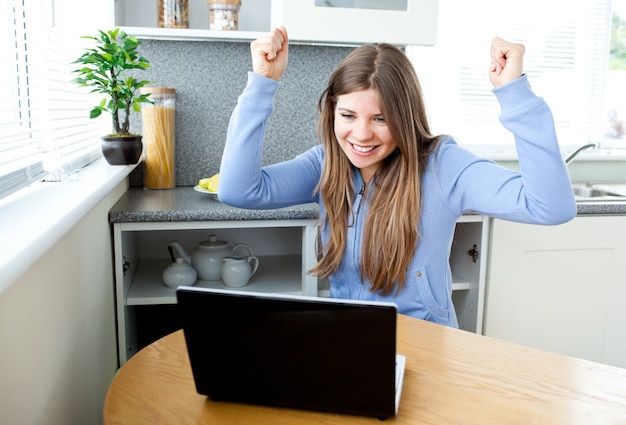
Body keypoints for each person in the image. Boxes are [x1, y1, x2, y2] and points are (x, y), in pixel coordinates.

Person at [218, 27, 576, 327]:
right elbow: (239, 190)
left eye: (380, 118)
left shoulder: (444, 167)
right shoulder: (327, 164)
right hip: (350, 341)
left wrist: (514, 93)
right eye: (347, 115)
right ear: (332, 114)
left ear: (405, 117)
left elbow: (550, 207)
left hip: (426, 347)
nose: (360, 135)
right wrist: (261, 85)